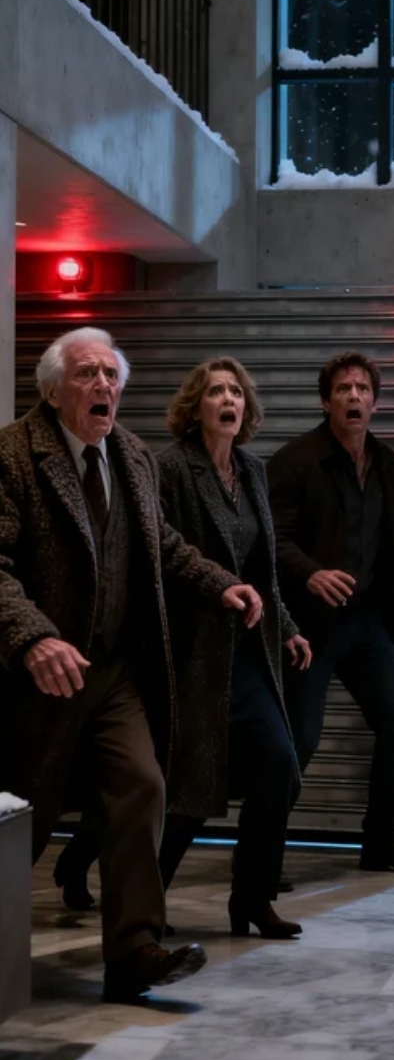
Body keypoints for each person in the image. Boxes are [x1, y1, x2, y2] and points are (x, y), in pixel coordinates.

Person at [0, 328, 263, 1003]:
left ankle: (133, 953)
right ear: (52, 391)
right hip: (36, 680)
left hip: (112, 672)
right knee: (23, 819)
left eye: (111, 375)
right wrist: (32, 638)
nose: (103, 387)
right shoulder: (13, 455)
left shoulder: (134, 456)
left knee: (142, 786)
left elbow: (162, 545)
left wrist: (219, 584)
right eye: (87, 374)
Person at [52, 359, 312, 938]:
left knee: (279, 768)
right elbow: (157, 553)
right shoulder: (169, 469)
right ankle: (114, 884)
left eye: (236, 392)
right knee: (187, 784)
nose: (229, 400)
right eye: (216, 391)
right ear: (196, 407)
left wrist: (289, 627)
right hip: (188, 653)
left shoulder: (252, 470)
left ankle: (252, 899)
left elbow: (263, 569)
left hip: (245, 652)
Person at [268, 351, 394, 874]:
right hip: (310, 626)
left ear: (374, 401)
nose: (353, 396)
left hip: (367, 621)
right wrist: (311, 573)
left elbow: (393, 534)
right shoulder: (295, 461)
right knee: (300, 738)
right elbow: (271, 539)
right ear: (326, 401)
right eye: (343, 389)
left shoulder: (386, 461)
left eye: (362, 389)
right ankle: (263, 855)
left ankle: (381, 844)